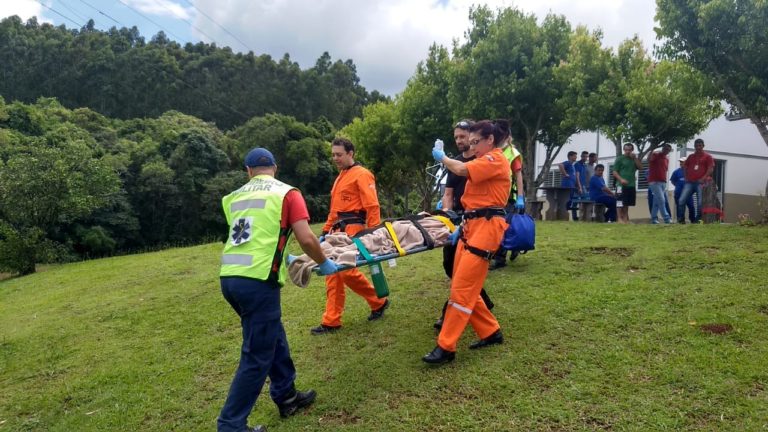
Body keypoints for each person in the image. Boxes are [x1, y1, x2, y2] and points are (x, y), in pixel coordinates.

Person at [218, 148, 339, 432]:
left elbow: (251, 235)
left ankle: (286, 395)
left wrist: (282, 254)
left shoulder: (233, 197)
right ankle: (231, 425)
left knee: (273, 334)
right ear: (275, 167)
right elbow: (307, 238)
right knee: (256, 354)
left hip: (230, 278)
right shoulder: (287, 193)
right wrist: (324, 262)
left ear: (247, 171)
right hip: (258, 281)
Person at [425, 120, 510, 365]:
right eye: (470, 143)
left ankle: (446, 346)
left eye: (475, 142)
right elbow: (474, 201)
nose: (472, 148)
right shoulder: (482, 160)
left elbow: (461, 170)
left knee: (461, 290)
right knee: (464, 285)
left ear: (490, 140)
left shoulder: (495, 160)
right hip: (470, 226)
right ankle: (491, 331)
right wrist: (461, 226)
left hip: (486, 229)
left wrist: (441, 157)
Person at [311, 138, 390, 335]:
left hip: (355, 229)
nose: (335, 158)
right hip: (337, 231)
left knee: (346, 271)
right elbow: (334, 210)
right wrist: (324, 231)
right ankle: (331, 320)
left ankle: (378, 300)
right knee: (331, 274)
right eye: (333, 154)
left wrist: (372, 233)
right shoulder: (340, 178)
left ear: (350, 153)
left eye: (339, 154)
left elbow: (372, 206)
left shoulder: (362, 175)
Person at [434, 120, 496, 330]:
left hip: (480, 223)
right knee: (451, 267)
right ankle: (484, 309)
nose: (460, 141)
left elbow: (463, 170)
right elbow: (448, 193)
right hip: (459, 219)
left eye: (464, 137)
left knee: (463, 275)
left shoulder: (482, 161)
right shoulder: (456, 162)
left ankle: (451, 319)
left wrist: (442, 158)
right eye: (457, 138)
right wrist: (447, 217)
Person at [489, 120, 525, 270]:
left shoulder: (512, 153)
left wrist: (521, 197)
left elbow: (518, 176)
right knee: (497, 226)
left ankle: (500, 259)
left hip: (509, 196)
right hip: (495, 195)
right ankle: (511, 247)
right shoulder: (492, 151)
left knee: (503, 226)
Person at [677, 138, 714, 224]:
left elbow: (710, 169)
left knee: (700, 203)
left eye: (700, 145)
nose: (698, 147)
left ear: (703, 146)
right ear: (694, 146)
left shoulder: (708, 157)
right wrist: (686, 177)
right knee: (681, 200)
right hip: (689, 182)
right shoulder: (691, 157)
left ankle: (698, 220)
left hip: (700, 183)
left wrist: (703, 178)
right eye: (696, 145)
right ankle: (681, 219)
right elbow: (685, 167)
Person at [611, 143, 642, 223]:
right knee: (619, 202)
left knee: (627, 203)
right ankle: (619, 218)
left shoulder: (634, 159)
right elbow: (614, 172)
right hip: (620, 185)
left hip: (631, 184)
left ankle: (625, 219)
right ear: (624, 150)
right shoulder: (619, 159)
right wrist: (621, 180)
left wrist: (635, 158)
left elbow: (640, 167)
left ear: (632, 150)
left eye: (629, 150)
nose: (628, 151)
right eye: (626, 150)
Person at [647, 144, 673, 224]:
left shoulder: (667, 159)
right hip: (654, 182)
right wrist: (651, 150)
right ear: (662, 148)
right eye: (665, 149)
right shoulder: (655, 154)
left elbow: (665, 170)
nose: (666, 151)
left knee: (656, 202)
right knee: (662, 200)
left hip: (663, 182)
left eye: (668, 150)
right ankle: (666, 218)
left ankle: (654, 219)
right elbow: (649, 159)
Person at [670, 157, 696, 223]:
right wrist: (678, 186)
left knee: (691, 207)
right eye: (680, 162)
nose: (681, 163)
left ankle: (693, 220)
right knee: (680, 207)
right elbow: (672, 181)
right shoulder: (676, 172)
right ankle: (681, 221)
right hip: (678, 193)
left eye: (682, 162)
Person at [559, 151, 582, 221]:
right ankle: (562, 216)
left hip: (572, 187)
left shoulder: (572, 165)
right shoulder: (568, 163)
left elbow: (575, 177)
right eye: (575, 156)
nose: (576, 157)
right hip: (566, 186)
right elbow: (560, 165)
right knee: (565, 201)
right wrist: (565, 174)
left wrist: (578, 186)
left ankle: (564, 216)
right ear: (570, 156)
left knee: (569, 202)